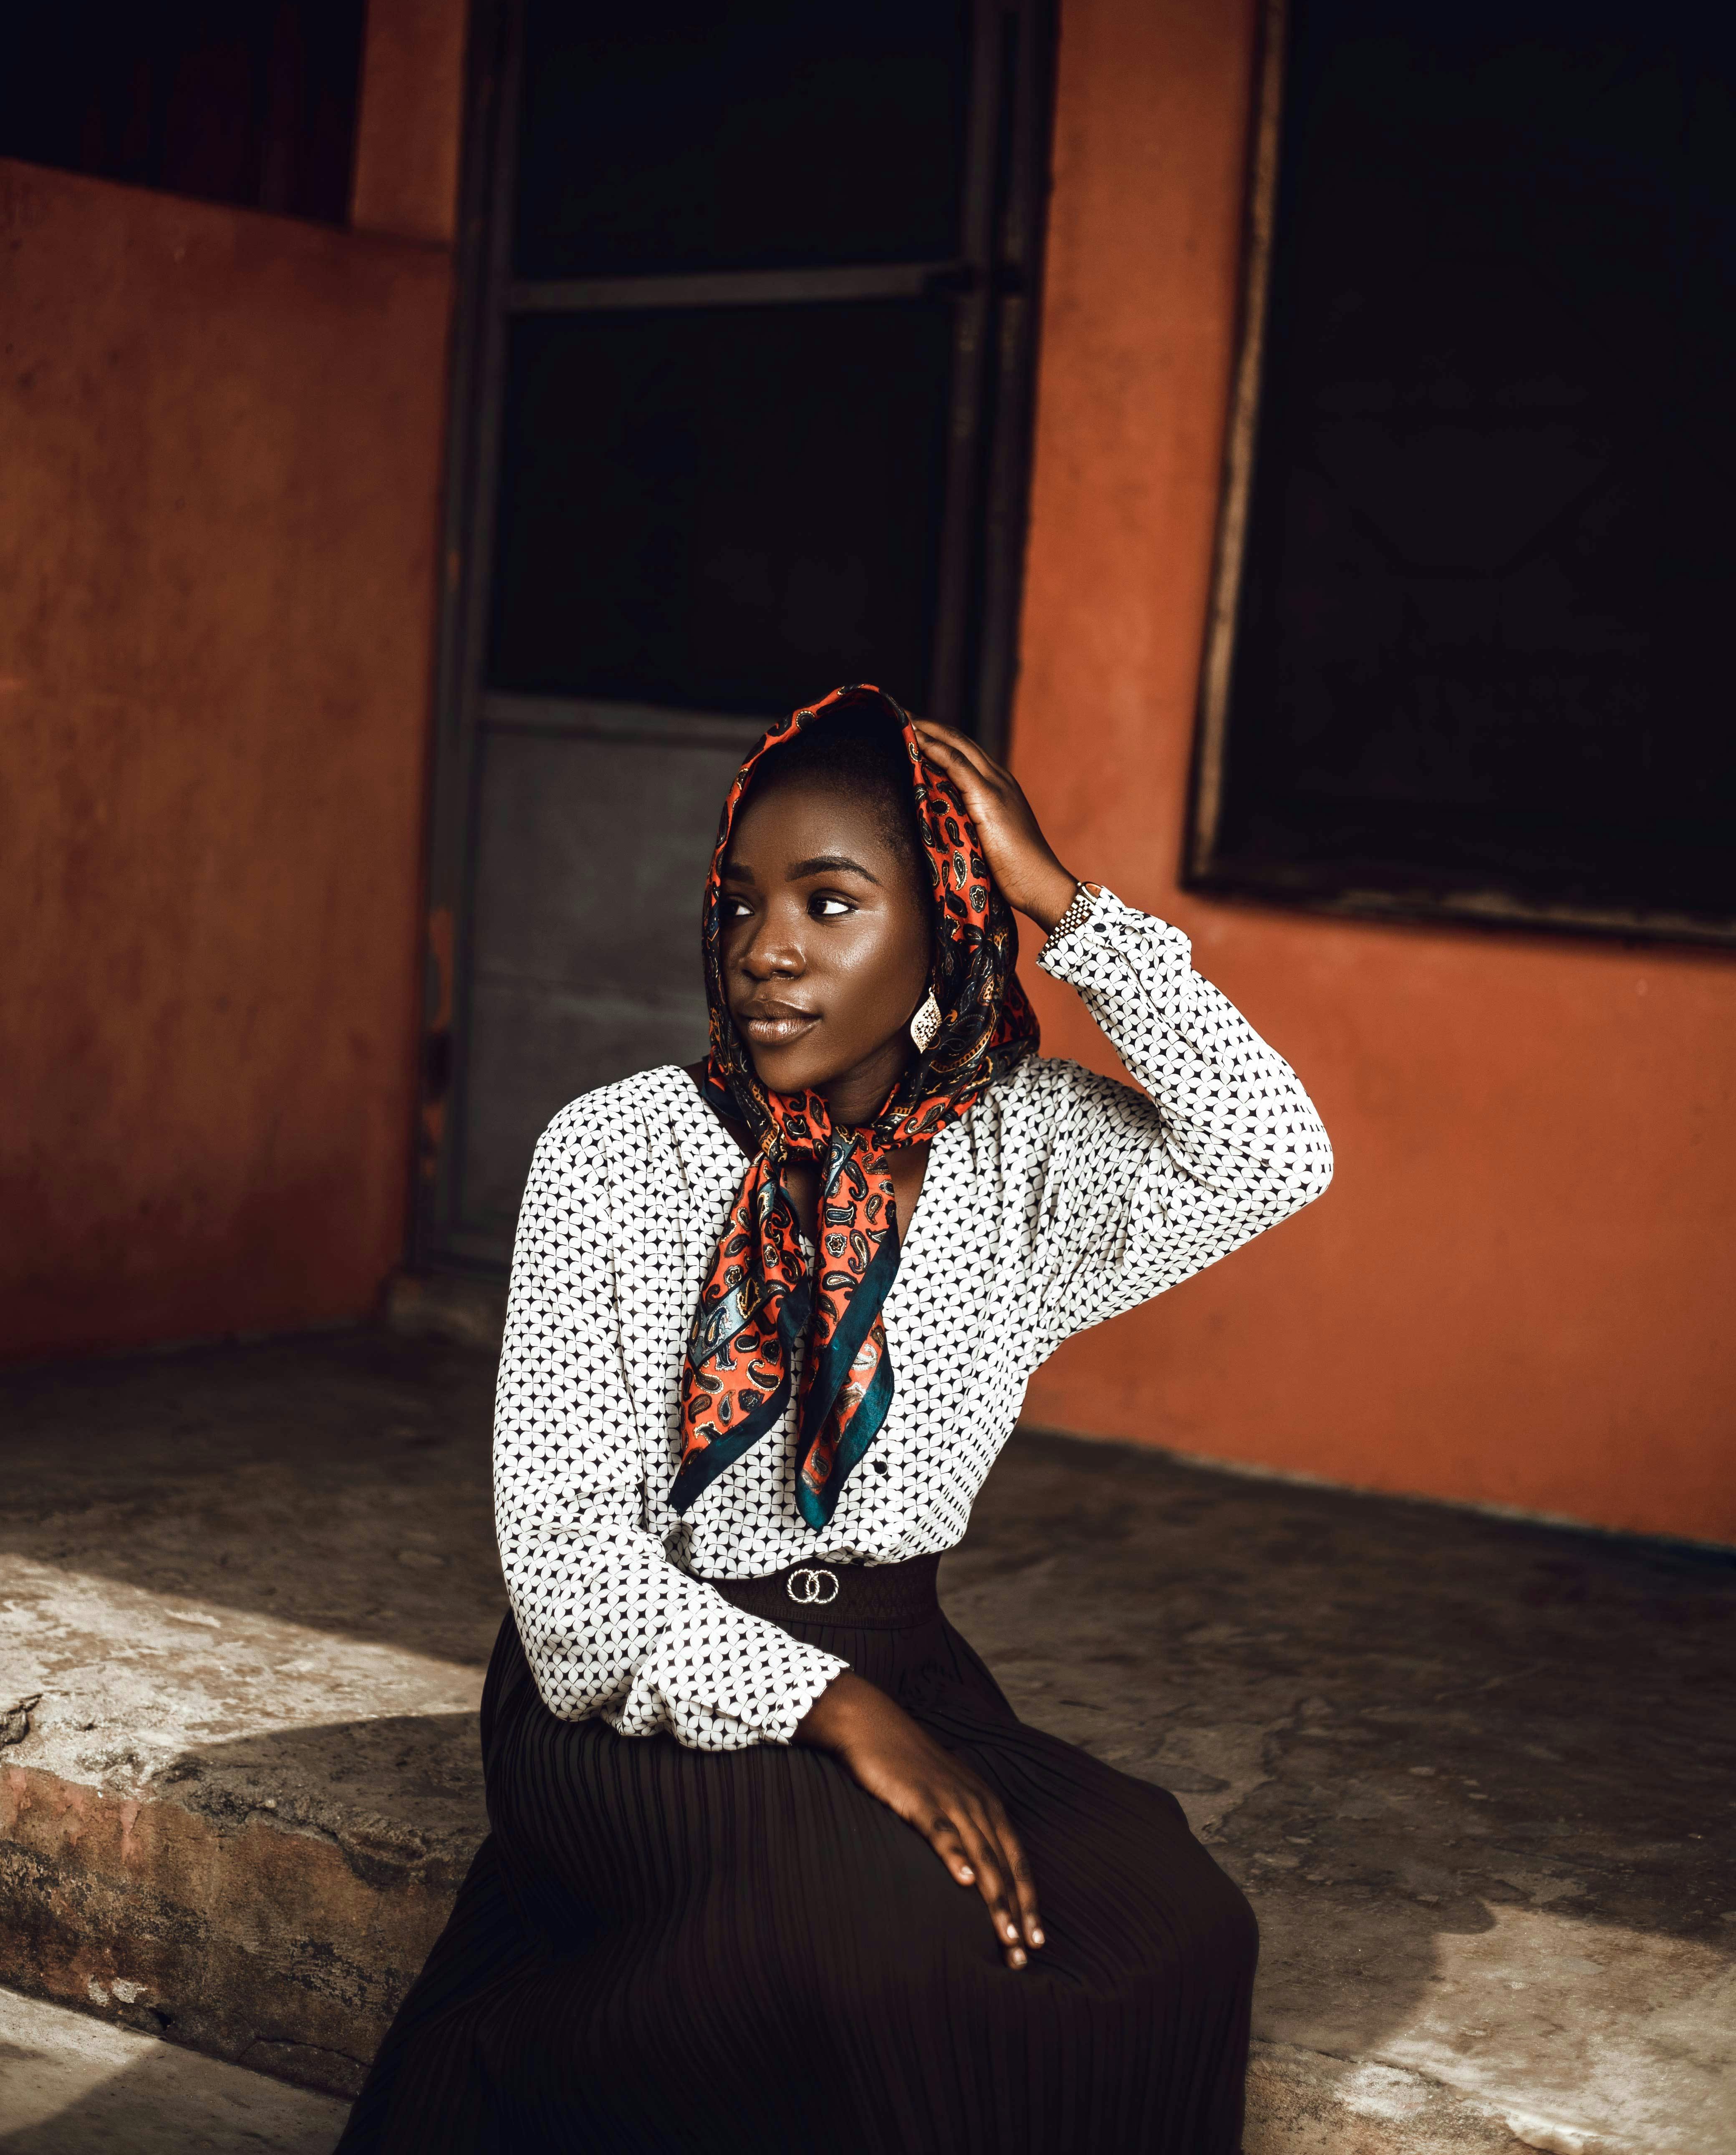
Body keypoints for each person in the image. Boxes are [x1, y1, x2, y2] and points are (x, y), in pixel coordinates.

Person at [337, 683, 1332, 2155]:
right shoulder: (617, 1153)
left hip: (901, 1657)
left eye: (831, 902)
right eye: (741, 903)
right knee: (878, 1941)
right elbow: (562, 1573)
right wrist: (839, 1713)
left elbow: (1272, 1154)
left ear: (944, 927)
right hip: (630, 1693)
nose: (765, 950)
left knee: (1177, 1919)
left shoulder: (1028, 1153)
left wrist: (1067, 901)